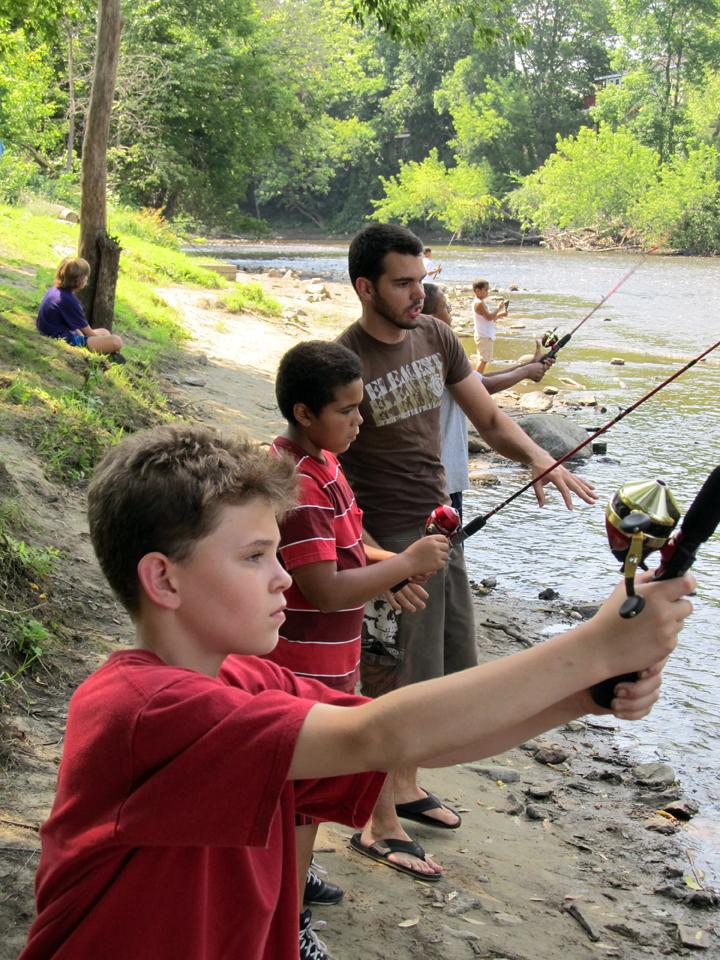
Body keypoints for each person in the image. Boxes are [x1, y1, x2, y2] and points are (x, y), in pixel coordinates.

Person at [19, 421, 694, 960]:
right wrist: (595, 645)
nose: (283, 577)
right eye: (254, 557)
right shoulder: (143, 710)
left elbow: (401, 746)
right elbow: (381, 733)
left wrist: (581, 696)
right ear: (163, 580)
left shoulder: (248, 679)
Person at [337, 223, 597, 846]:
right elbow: (327, 476)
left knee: (432, 672)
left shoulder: (436, 336)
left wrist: (539, 457)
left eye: (421, 281)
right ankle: (376, 824)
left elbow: (488, 415)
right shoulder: (343, 362)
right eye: (403, 284)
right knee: (384, 676)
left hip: (438, 527)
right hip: (380, 537)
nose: (417, 295)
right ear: (365, 287)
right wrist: (376, 559)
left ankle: (404, 783)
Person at [266, 341, 449, 951]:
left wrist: (395, 566)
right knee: (297, 797)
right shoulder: (299, 484)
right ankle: (288, 927)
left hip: (333, 666)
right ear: (304, 412)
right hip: (302, 670)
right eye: (347, 410)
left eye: (360, 407)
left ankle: (299, 871)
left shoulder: (326, 465)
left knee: (314, 790)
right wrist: (406, 561)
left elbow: (348, 552)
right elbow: (324, 589)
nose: (359, 420)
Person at [423, 283, 552, 523]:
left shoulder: (434, 350)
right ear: (429, 317)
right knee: (445, 551)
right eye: (446, 306)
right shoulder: (435, 354)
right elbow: (484, 388)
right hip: (443, 480)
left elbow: (474, 381)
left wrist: (526, 368)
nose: (450, 310)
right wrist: (525, 373)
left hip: (442, 477)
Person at [36, 257, 125, 360]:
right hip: (63, 338)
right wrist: (104, 343)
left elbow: (75, 326)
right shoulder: (68, 300)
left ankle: (106, 355)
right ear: (77, 279)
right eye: (85, 276)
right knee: (116, 341)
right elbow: (88, 332)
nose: (87, 278)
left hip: (55, 331)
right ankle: (107, 356)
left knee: (104, 332)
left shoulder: (56, 291)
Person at [472, 277, 506, 374]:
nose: (487, 292)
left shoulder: (480, 302)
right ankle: (477, 380)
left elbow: (489, 320)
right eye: (485, 290)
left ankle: (478, 378)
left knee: (483, 359)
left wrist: (500, 315)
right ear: (477, 291)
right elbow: (489, 317)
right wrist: (498, 308)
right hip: (483, 336)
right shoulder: (479, 304)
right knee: (483, 359)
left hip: (484, 335)